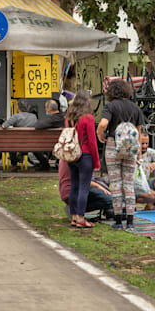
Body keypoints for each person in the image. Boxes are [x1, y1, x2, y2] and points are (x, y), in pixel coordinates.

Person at [96, 79, 146, 230]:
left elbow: (103, 124)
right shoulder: (135, 108)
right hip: (131, 148)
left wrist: (100, 134)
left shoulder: (110, 106)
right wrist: (138, 154)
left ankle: (118, 221)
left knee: (116, 184)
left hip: (113, 146)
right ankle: (130, 222)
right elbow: (138, 132)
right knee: (128, 184)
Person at [61, 91, 100, 228]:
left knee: (74, 186)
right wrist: (96, 161)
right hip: (85, 155)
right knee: (84, 188)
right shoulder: (87, 118)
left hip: (72, 155)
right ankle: (81, 218)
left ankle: (73, 216)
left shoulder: (69, 118)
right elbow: (92, 142)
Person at [32, 99, 65, 171]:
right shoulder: (64, 117)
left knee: (34, 146)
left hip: (50, 144)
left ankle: (45, 164)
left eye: (45, 107)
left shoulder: (52, 119)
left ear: (49, 109)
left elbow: (38, 126)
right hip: (62, 143)